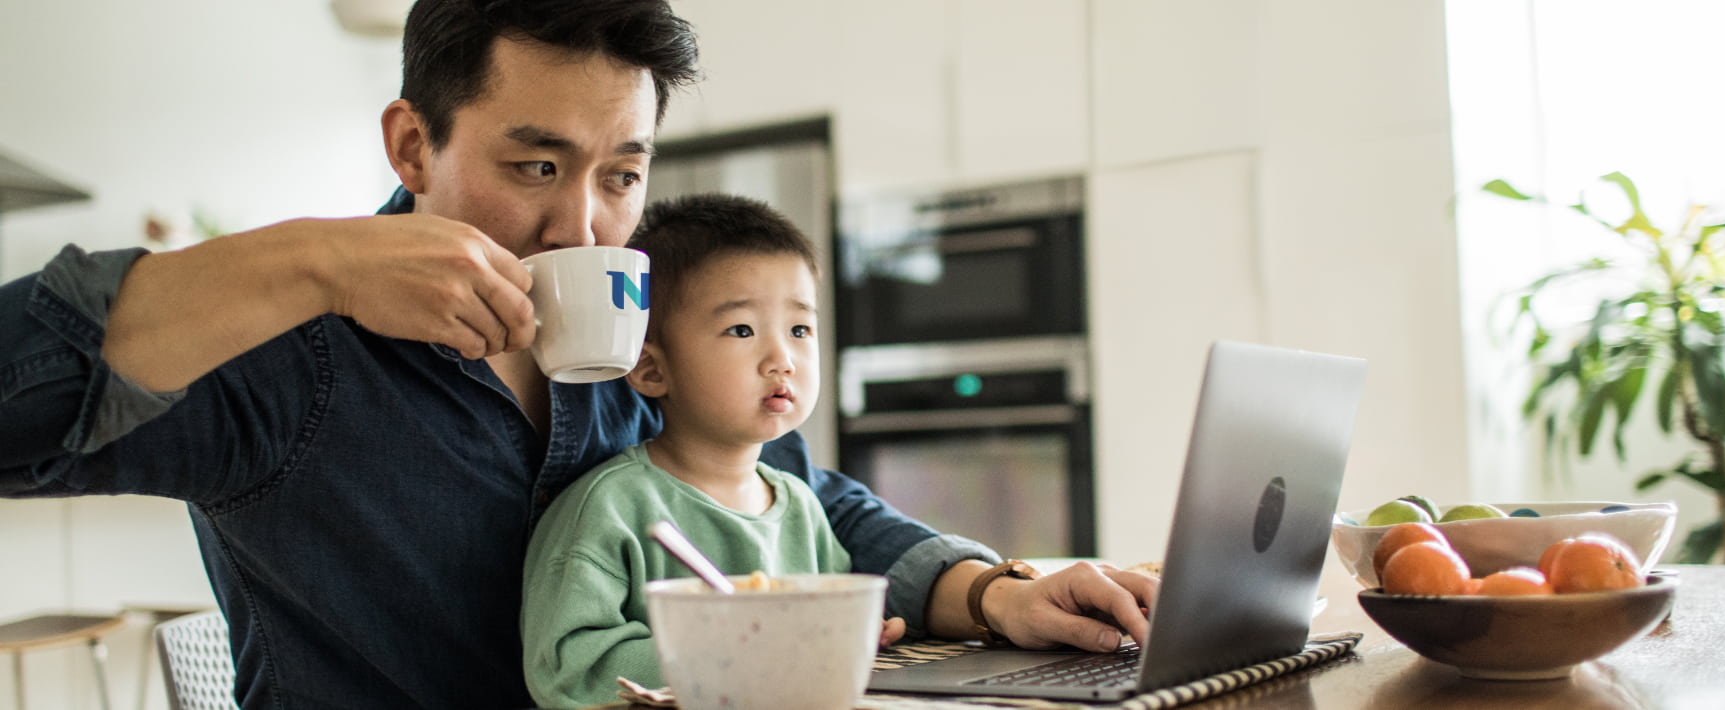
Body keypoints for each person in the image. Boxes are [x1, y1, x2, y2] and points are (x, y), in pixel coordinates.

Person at [0, 1, 1156, 707]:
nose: (586, 230)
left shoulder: (638, 337)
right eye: (536, 165)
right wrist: (316, 262)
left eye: (623, 172)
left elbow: (794, 498)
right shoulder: (288, 355)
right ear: (413, 143)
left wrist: (992, 591)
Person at [519, 194, 868, 704]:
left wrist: (853, 637)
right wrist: (728, 653)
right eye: (742, 329)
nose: (782, 359)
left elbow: (819, 630)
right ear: (653, 370)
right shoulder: (611, 509)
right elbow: (568, 671)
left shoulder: (802, 507)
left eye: (800, 329)